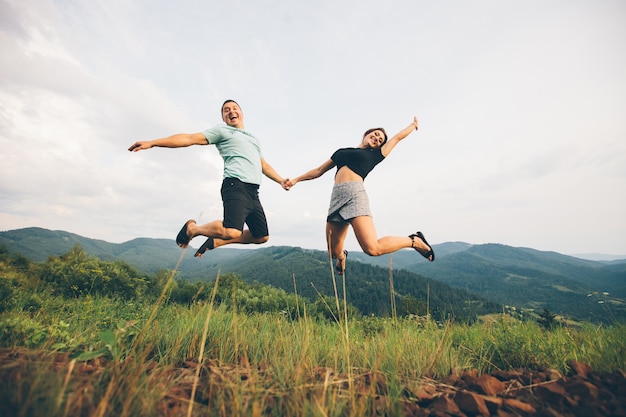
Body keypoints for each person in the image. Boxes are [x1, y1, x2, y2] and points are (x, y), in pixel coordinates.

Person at [128, 100, 287, 257]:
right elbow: (189, 139)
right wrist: (153, 143)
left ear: (241, 113)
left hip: (253, 192)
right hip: (235, 185)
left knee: (261, 236)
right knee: (232, 231)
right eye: (226, 110)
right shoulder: (222, 131)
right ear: (224, 118)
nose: (231, 111)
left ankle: (217, 241)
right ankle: (193, 229)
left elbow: (263, 165)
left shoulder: (253, 139)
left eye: (234, 108)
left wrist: (280, 180)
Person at [284, 116, 434, 275]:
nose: (377, 138)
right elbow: (319, 171)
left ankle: (413, 241)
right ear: (366, 134)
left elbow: (397, 137)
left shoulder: (375, 155)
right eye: (375, 134)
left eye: (380, 140)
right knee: (333, 253)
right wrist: (296, 180)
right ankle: (343, 257)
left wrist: (413, 125)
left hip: (355, 195)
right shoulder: (341, 152)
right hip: (336, 198)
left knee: (372, 248)